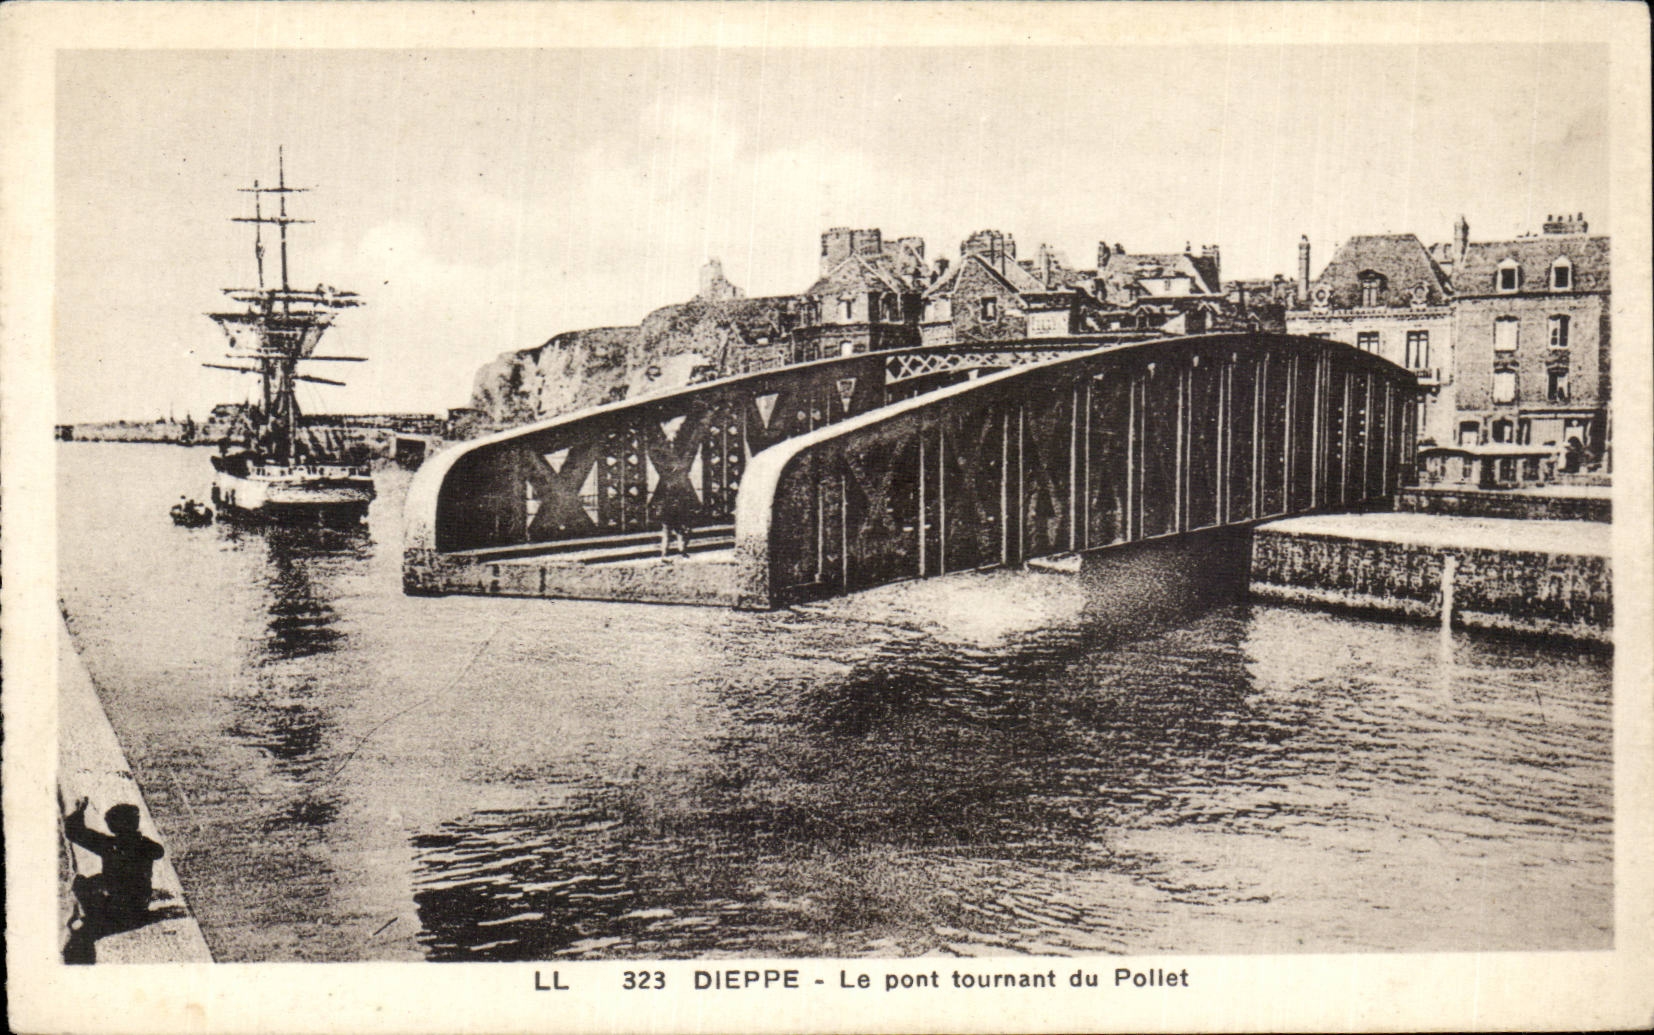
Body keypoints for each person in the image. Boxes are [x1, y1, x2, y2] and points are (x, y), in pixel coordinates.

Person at [64, 796, 164, 934]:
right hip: (139, 906)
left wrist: (79, 811)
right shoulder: (145, 845)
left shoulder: (108, 845)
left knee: (81, 883)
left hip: (115, 908)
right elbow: (159, 852)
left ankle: (94, 917)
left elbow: (74, 833)